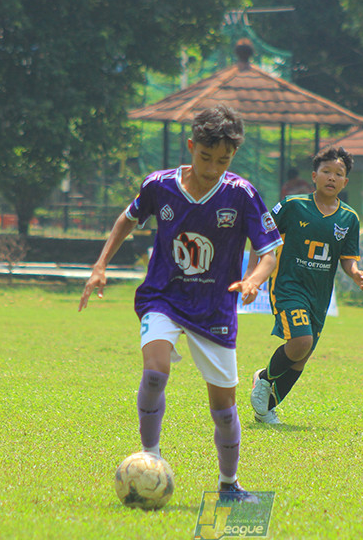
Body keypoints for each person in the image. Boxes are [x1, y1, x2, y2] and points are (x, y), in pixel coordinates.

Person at [79, 104, 282, 502]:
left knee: (223, 404)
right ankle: (149, 459)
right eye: (205, 157)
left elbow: (270, 253)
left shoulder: (241, 194)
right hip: (164, 296)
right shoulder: (160, 185)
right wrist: (100, 264)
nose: (212, 167)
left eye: (222, 160)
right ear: (191, 147)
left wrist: (254, 280)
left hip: (215, 307)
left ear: (232, 157)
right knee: (155, 370)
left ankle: (229, 485)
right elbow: (126, 220)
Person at [250, 146, 363, 424]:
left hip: (319, 294)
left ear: (345, 182)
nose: (332, 177)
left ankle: (266, 407)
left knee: (301, 356)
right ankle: (265, 379)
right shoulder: (293, 205)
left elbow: (347, 257)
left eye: (338, 174)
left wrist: (355, 273)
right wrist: (253, 274)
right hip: (288, 285)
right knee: (300, 341)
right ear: (314, 176)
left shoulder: (349, 218)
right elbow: (262, 232)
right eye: (326, 172)